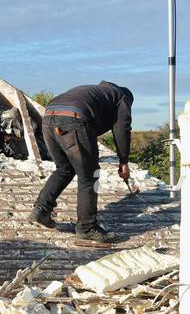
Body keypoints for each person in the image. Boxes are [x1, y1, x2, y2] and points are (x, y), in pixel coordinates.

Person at [29, 80, 133, 245]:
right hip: (73, 120)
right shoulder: (122, 98)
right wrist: (124, 161)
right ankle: (87, 228)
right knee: (90, 175)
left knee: (64, 168)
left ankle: (41, 210)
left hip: (49, 117)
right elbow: (122, 130)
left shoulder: (96, 92)